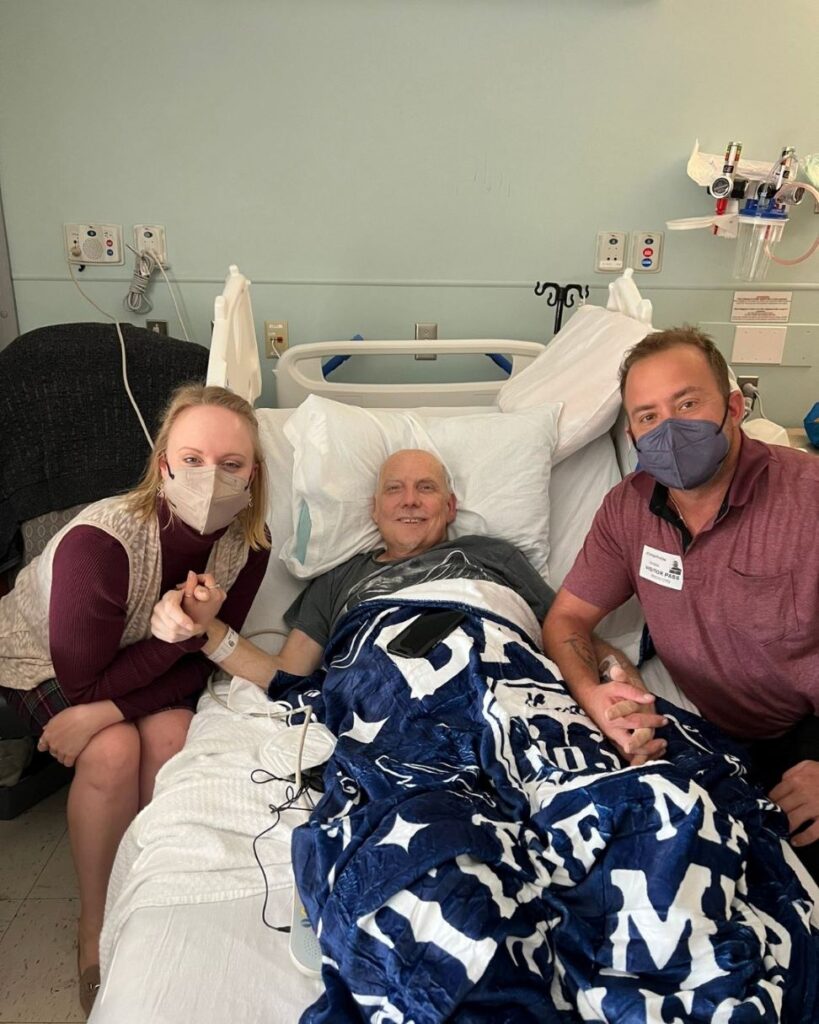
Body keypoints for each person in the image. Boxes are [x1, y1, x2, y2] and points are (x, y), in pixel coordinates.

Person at [0, 383, 271, 1014]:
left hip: (123, 676)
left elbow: (205, 665)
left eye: (232, 465)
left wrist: (189, 639)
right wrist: (179, 641)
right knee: (112, 753)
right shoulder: (100, 545)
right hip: (42, 659)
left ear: (253, 474)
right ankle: (93, 928)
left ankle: (147, 899)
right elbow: (83, 684)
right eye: (194, 458)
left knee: (174, 739)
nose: (212, 477)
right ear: (163, 463)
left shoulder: (247, 546)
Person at [152, 448, 666, 762]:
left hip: (502, 673)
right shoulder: (339, 581)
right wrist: (209, 632)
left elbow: (568, 631)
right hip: (388, 691)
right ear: (374, 510)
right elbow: (287, 675)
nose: (410, 500)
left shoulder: (494, 555)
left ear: (450, 507)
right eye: (393, 490)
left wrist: (622, 685)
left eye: (426, 488)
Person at [542, 326, 819, 880]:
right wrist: (596, 696)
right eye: (647, 416)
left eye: (687, 403)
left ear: (734, 407)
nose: (668, 429)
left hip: (802, 735)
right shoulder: (628, 510)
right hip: (700, 729)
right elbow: (568, 619)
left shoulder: (806, 498)